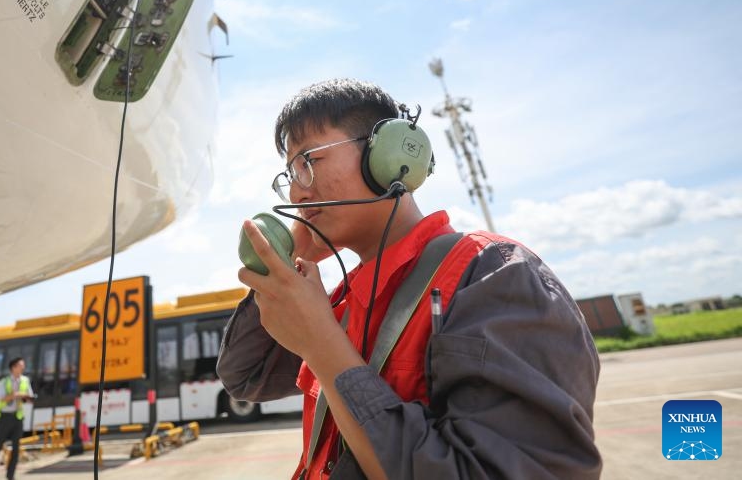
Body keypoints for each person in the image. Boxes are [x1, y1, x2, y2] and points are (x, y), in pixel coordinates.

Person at [216, 79, 601, 479]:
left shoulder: (494, 276)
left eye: (308, 162)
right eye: (290, 172)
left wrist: (322, 344)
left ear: (388, 155)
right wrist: (286, 268)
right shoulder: (344, 301)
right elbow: (245, 376)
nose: (296, 192)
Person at [0, 357, 35, 480]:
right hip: (5, 417)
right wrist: (15, 395)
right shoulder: (4, 382)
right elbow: (2, 399)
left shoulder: (25, 380)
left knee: (16, 447)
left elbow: (29, 396)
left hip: (18, 417)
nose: (23, 368)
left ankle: (11, 476)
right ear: (13, 368)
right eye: (20, 365)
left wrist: (21, 395)